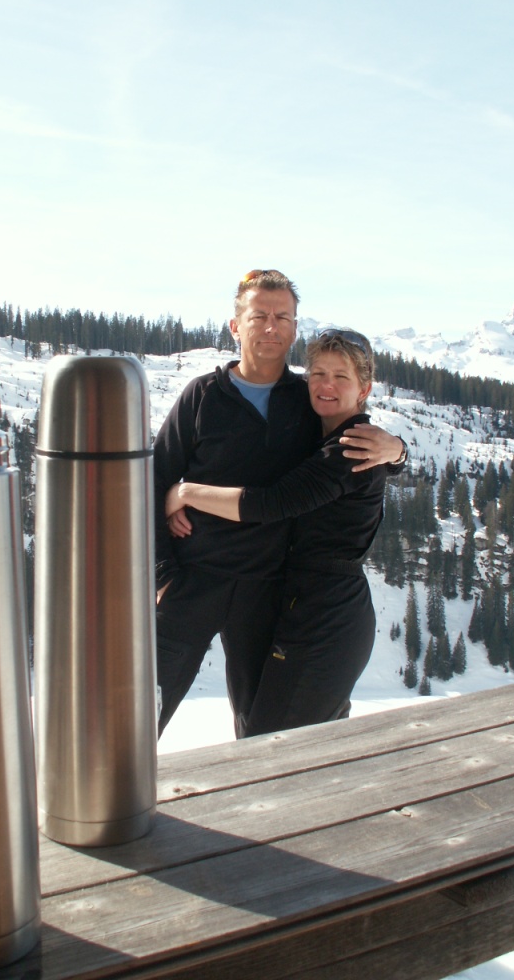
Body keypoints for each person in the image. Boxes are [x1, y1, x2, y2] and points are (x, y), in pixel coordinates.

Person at [153, 270, 406, 737]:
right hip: (193, 582)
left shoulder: (306, 402)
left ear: (293, 329)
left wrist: (397, 451)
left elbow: (348, 456)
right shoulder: (203, 397)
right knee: (138, 716)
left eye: (283, 317)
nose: (271, 327)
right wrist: (162, 573)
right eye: (259, 316)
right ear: (236, 326)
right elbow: (153, 483)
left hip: (267, 594)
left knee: (260, 732)